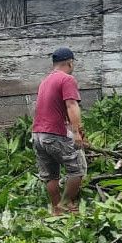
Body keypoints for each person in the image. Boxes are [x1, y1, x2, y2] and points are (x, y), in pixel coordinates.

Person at [32, 48, 88, 215]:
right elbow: (71, 104)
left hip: (37, 134)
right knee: (77, 169)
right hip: (55, 133)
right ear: (70, 62)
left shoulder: (45, 81)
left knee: (51, 175)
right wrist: (77, 132)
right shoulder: (67, 79)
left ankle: (56, 209)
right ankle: (66, 203)